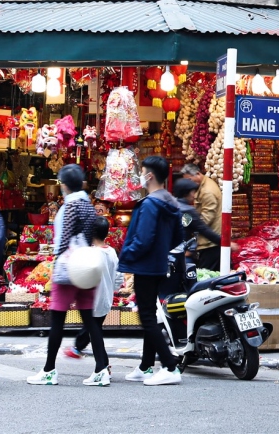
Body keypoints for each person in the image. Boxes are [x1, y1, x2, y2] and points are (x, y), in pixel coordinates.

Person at [27, 164, 109, 387]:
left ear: (64, 184)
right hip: (87, 266)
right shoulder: (88, 205)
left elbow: (64, 238)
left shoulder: (70, 206)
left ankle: (49, 370)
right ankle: (102, 370)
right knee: (91, 322)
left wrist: (58, 259)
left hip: (68, 269)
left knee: (57, 322)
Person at [118, 155, 184, 386]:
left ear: (150, 176)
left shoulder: (150, 204)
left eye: (143, 171)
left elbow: (143, 239)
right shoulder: (171, 203)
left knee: (145, 315)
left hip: (146, 264)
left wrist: (126, 256)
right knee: (149, 314)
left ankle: (169, 365)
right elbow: (178, 237)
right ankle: (146, 365)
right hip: (159, 264)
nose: (140, 175)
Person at [63, 216, 121, 368]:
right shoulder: (112, 252)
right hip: (106, 298)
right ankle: (81, 349)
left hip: (92, 299)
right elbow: (119, 275)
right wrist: (113, 289)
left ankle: (102, 366)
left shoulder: (90, 253)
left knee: (94, 332)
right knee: (93, 330)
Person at [179, 163, 222, 270]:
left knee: (206, 275)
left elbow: (205, 220)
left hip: (210, 243)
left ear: (197, 174)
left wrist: (190, 225)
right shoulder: (203, 185)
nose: (189, 183)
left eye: (189, 179)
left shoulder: (207, 191)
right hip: (209, 240)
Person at [172, 178, 221, 253]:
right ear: (186, 193)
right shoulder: (187, 210)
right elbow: (204, 229)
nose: (194, 195)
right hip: (179, 250)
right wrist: (225, 242)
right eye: (193, 192)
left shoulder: (172, 205)